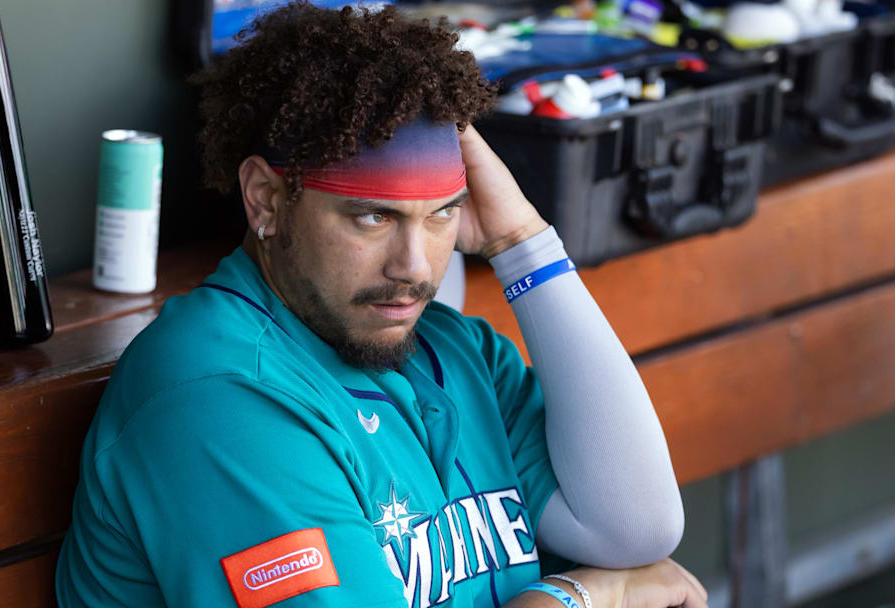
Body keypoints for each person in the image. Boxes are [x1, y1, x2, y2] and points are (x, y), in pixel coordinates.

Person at [56, 3, 708, 607]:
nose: (415, 268)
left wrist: (522, 244)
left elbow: (635, 527)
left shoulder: (457, 354)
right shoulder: (215, 397)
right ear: (265, 200)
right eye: (372, 217)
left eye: (442, 213)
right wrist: (588, 596)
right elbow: (622, 570)